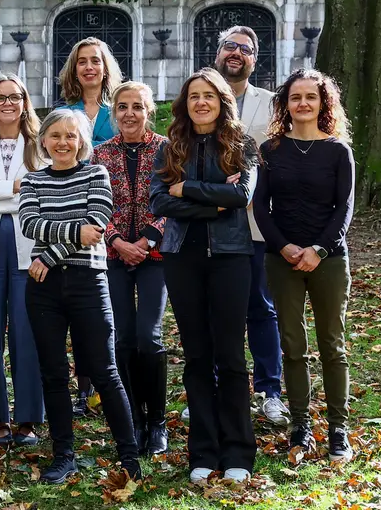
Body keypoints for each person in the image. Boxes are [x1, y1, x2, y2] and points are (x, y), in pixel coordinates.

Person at [19, 108, 141, 485]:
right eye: (54, 135)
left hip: (88, 281)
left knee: (105, 370)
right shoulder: (32, 181)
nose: (62, 142)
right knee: (53, 373)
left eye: (70, 136)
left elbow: (98, 224)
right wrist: (73, 236)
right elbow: (29, 224)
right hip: (44, 290)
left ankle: (129, 454)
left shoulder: (95, 173)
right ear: (43, 141)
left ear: (81, 141)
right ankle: (64, 455)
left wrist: (50, 254)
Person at [150, 68, 258, 484]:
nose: (200, 102)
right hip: (181, 257)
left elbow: (240, 196)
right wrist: (211, 201)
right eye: (193, 95)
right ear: (185, 102)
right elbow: (160, 202)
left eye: (208, 95)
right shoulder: (170, 147)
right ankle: (203, 452)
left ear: (221, 101)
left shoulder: (242, 143)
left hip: (230, 256)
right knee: (196, 356)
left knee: (230, 356)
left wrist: (187, 189)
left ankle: (238, 452)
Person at [254, 69, 355, 463]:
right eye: (296, 97)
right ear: (286, 104)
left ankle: (337, 429)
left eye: (310, 97)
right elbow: (260, 206)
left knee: (333, 345)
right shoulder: (271, 150)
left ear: (323, 102)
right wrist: (284, 248)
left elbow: (345, 209)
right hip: (282, 260)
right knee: (293, 346)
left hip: (328, 259)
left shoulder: (337, 151)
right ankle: (300, 427)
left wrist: (318, 248)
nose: (303, 104)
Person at [214, 25, 287, 426]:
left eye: (245, 49)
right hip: (210, 222)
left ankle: (270, 390)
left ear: (255, 59)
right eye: (230, 46)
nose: (236, 53)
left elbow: (281, 159)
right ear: (218, 52)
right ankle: (213, 388)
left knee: (261, 307)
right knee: (215, 311)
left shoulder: (272, 104)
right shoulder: (201, 95)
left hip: (258, 222)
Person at [91, 82, 168, 456]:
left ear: (148, 110)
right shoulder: (99, 153)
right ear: (113, 113)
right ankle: (133, 419)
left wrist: (149, 239)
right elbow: (91, 204)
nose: (129, 114)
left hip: (155, 255)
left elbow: (174, 199)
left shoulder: (167, 149)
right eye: (122, 107)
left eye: (137, 106)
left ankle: (158, 421)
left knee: (149, 338)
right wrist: (117, 241)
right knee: (122, 339)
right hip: (113, 255)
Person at [0, 74, 45, 447]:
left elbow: (40, 191)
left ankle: (28, 419)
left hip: (27, 247)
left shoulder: (40, 144)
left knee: (26, 334)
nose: (7, 104)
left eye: (14, 97)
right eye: (0, 98)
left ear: (24, 101)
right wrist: (13, 189)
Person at [57, 37, 124, 412]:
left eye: (95, 61)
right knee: (80, 311)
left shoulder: (120, 109)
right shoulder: (63, 112)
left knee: (108, 313)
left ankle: (110, 382)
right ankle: (84, 389)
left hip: (115, 214)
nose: (88, 67)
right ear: (74, 69)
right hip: (74, 221)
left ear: (105, 67)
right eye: (81, 61)